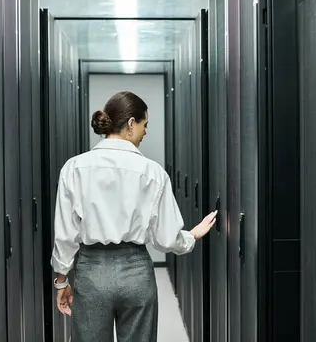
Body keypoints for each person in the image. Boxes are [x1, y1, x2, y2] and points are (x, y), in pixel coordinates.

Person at [51, 91, 217, 342]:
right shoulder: (153, 172)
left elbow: (66, 234)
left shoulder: (74, 168)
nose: (145, 131)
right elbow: (166, 239)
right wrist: (191, 235)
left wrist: (62, 281)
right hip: (137, 273)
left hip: (92, 274)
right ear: (131, 124)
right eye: (144, 125)